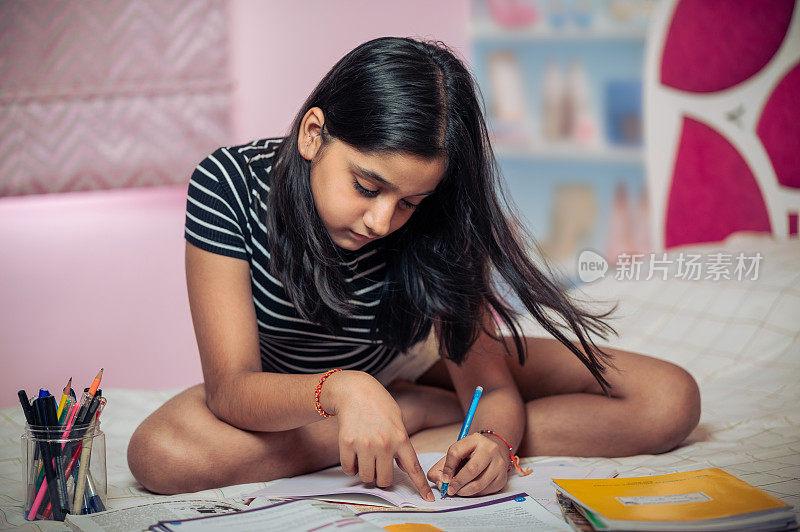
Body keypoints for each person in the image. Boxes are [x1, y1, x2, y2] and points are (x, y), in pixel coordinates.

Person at [128, 36, 701, 500]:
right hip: (298, 394)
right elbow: (232, 391)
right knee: (160, 455)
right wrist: (349, 392)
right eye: (366, 187)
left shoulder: (440, 214)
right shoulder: (226, 183)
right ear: (312, 134)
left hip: (411, 357)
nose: (382, 221)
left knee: (667, 399)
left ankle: (399, 421)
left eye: (409, 203)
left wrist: (497, 439)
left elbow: (490, 387)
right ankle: (404, 414)